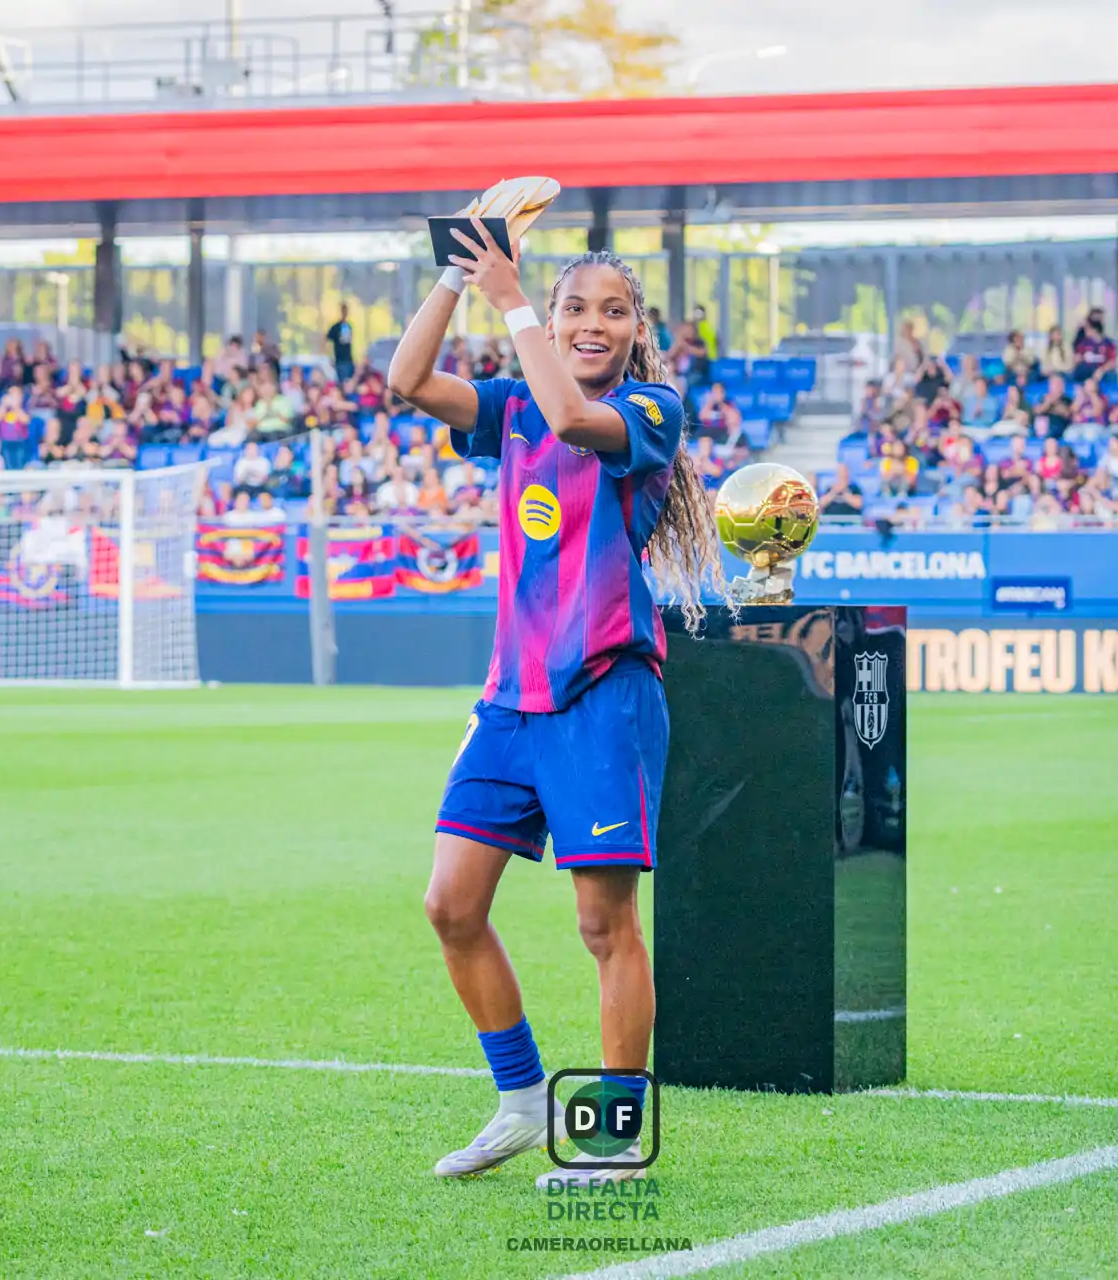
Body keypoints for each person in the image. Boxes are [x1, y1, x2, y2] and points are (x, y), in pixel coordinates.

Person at [387, 233, 723, 1188]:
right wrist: (458, 274)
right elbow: (409, 380)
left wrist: (514, 302)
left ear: (636, 332)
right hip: (509, 701)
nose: (591, 324)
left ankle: (614, 1138)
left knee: (602, 924)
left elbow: (574, 419)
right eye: (576, 307)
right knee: (451, 906)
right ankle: (523, 1102)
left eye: (611, 311)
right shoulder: (510, 408)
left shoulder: (649, 408)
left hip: (603, 695)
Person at [327, 303, 356, 384]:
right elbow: (328, 341)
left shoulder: (349, 327)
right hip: (340, 360)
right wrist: (330, 357)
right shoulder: (335, 327)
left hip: (349, 360)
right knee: (342, 383)